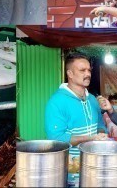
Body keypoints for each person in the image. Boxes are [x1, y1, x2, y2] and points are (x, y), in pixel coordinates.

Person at [44, 52, 107, 187]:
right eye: (82, 70)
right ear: (70, 74)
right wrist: (90, 138)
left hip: (94, 165)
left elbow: (101, 124)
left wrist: (101, 133)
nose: (88, 74)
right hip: (70, 170)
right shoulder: (57, 102)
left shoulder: (92, 99)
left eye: (89, 70)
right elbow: (57, 139)